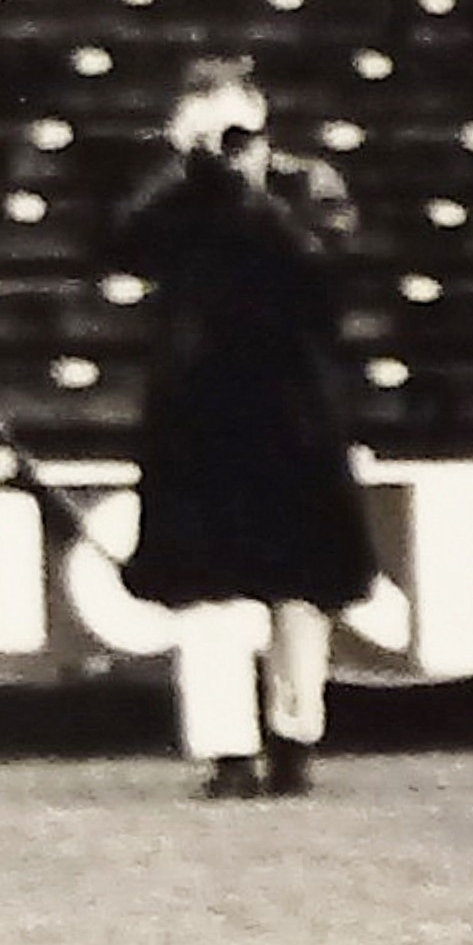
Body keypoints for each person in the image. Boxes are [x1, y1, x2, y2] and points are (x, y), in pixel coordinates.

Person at [112, 57, 379, 799]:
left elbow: (321, 269)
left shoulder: (308, 185)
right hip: (201, 412)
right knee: (208, 589)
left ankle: (296, 737)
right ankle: (227, 749)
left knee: (302, 591)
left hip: (292, 409)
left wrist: (248, 193)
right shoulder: (177, 196)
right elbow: (124, 241)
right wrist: (189, 174)